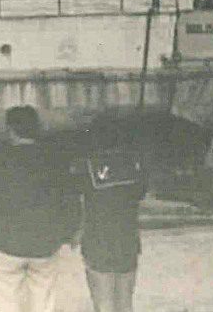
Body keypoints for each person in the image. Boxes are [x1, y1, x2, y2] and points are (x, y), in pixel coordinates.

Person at [0, 105, 80, 312]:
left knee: (7, 298)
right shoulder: (54, 160)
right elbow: (70, 199)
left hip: (7, 242)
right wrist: (69, 233)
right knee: (43, 299)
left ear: (11, 130)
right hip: (45, 242)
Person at [73, 120, 146, 312]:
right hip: (127, 240)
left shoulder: (87, 168)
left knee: (103, 303)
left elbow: (79, 200)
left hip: (98, 240)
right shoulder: (133, 166)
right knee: (125, 303)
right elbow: (140, 193)